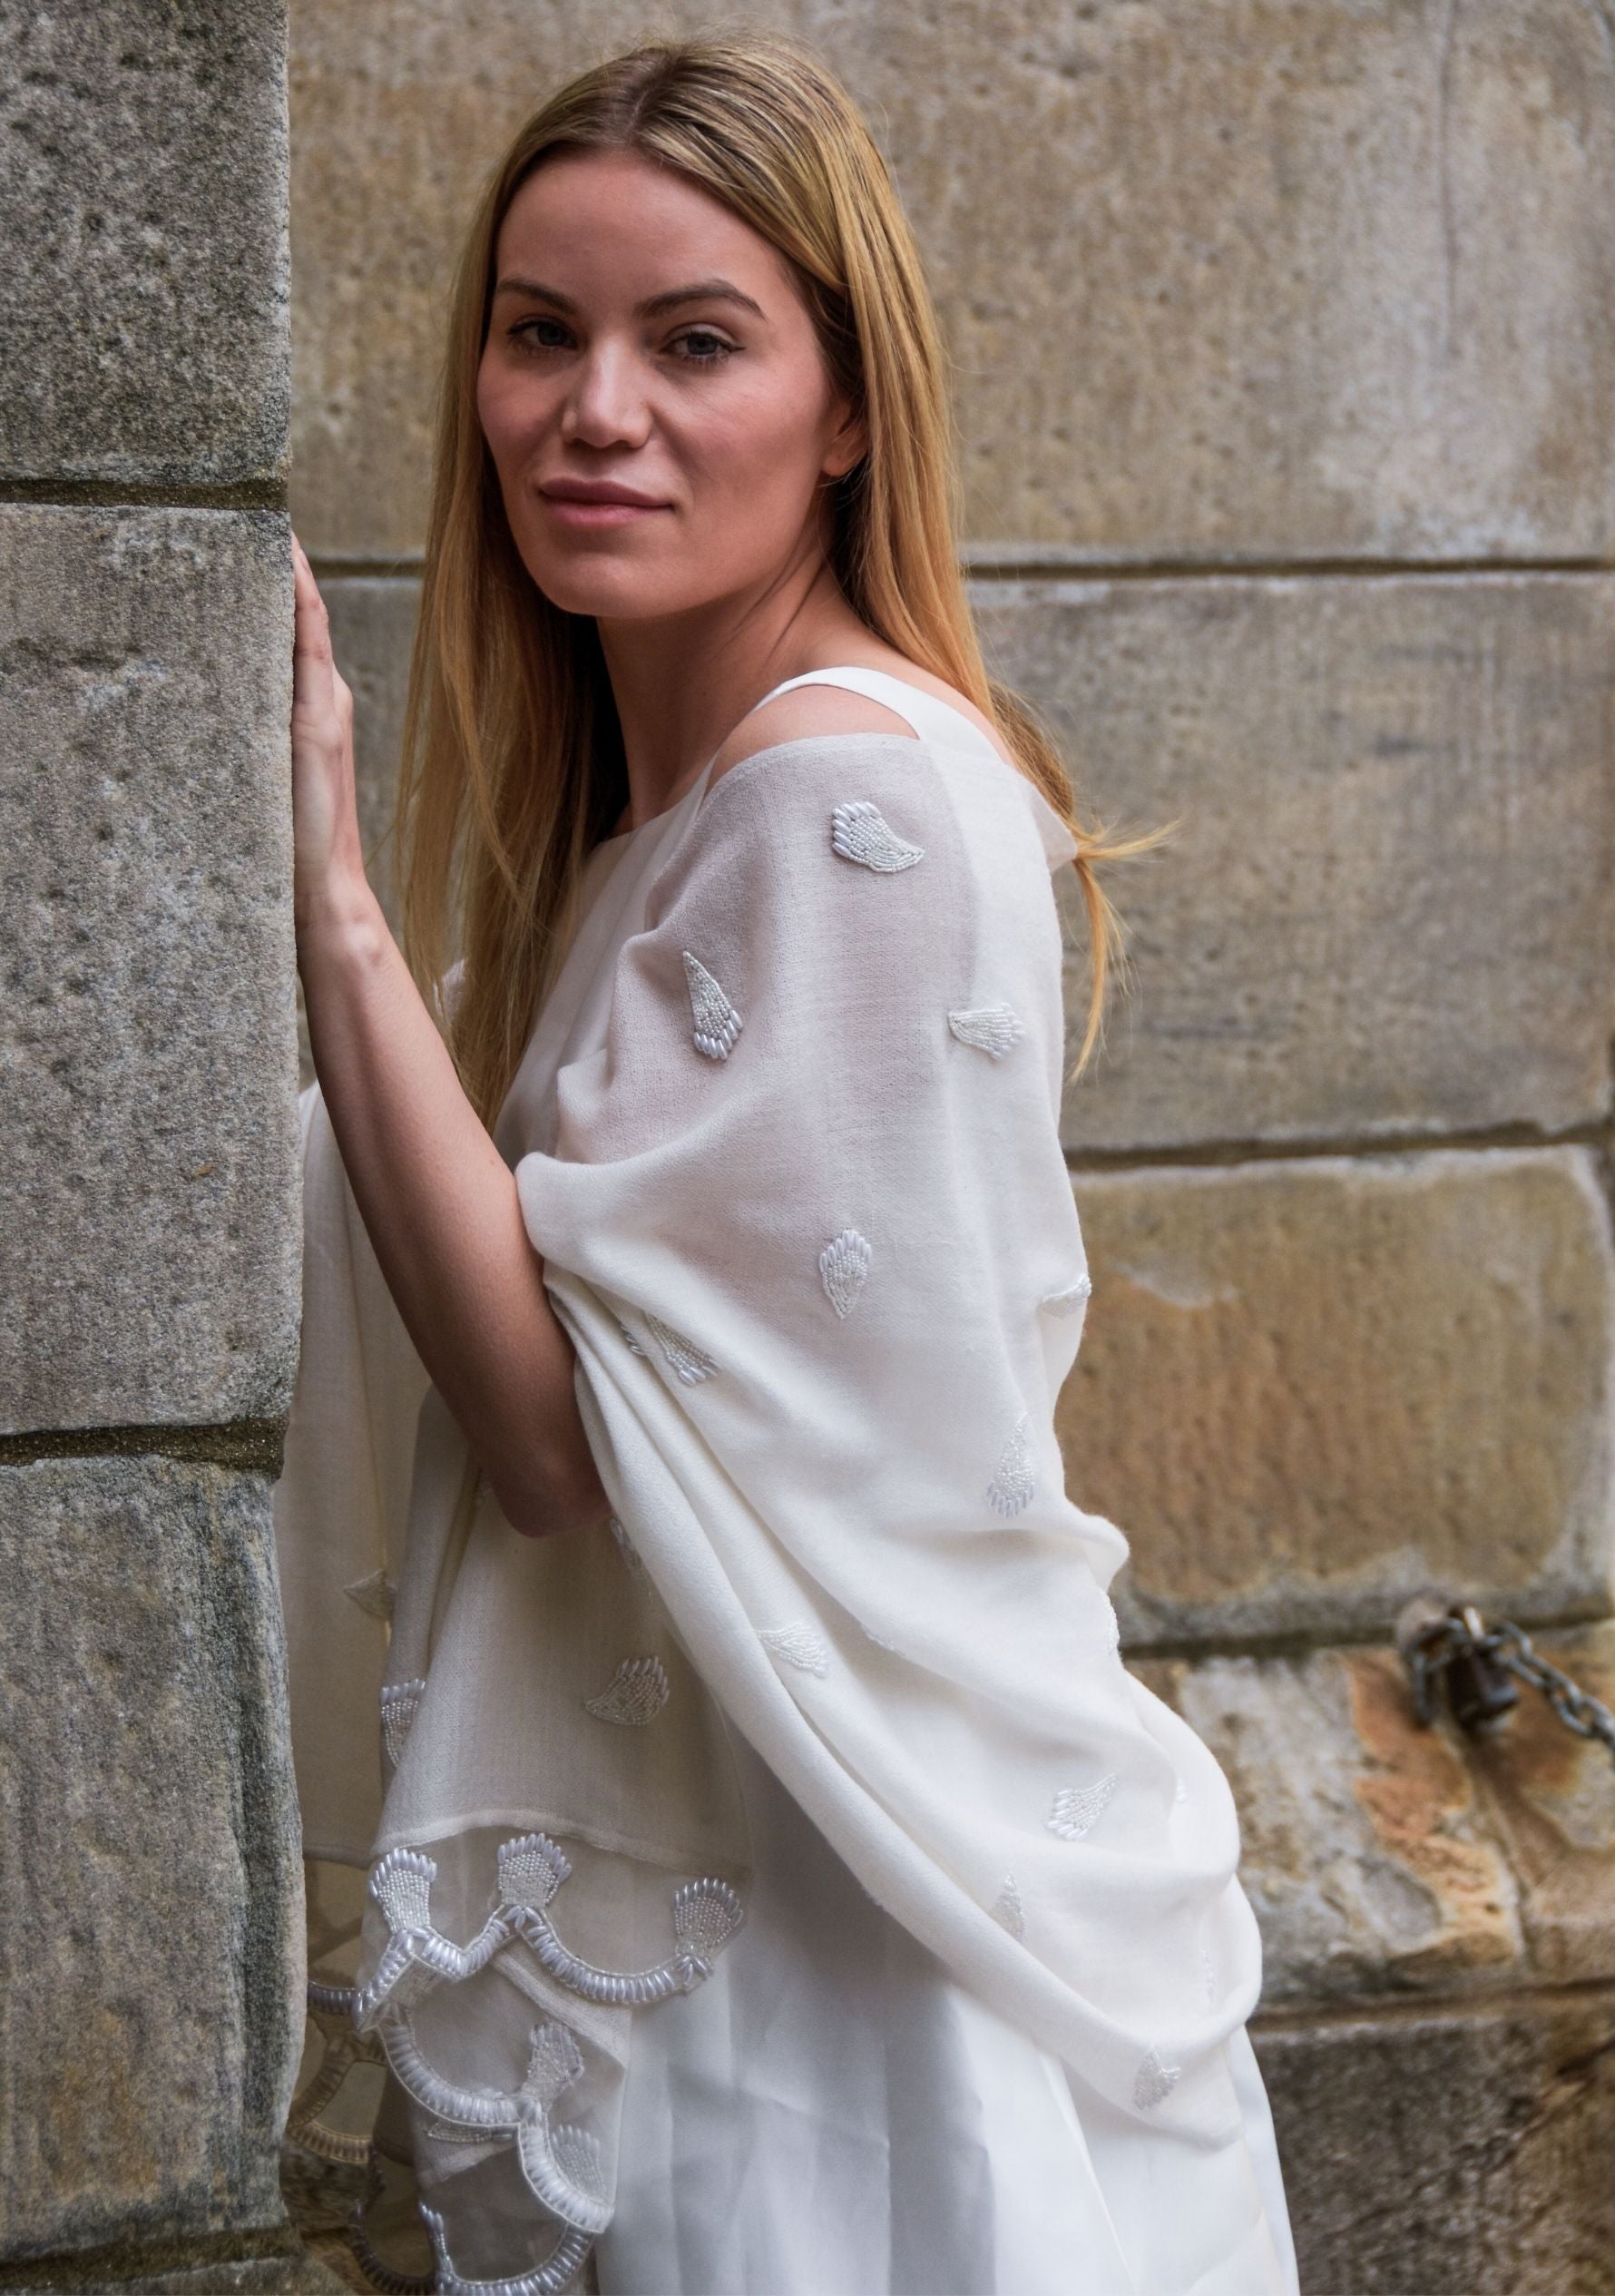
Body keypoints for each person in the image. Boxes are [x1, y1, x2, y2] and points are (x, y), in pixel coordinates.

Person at [274, 31, 1300, 2296]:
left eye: (694, 339)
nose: (592, 409)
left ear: (848, 407)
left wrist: (326, 908)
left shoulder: (840, 802)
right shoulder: (681, 811)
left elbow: (556, 1444)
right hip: (758, 1906)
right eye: (536, 333)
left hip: (836, 1970)